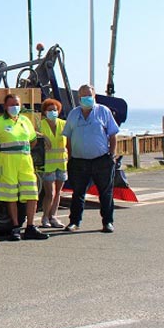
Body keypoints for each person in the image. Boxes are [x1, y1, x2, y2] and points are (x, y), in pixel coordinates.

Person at [0, 94, 48, 241]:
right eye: (12, 104)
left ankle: (31, 226)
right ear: (5, 106)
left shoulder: (25, 121)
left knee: (32, 193)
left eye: (17, 104)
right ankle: (15, 227)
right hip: (6, 162)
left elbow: (32, 140)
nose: (15, 107)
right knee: (10, 194)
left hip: (25, 161)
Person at [62, 84, 120, 233]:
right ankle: (74, 222)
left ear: (94, 96)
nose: (86, 98)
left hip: (101, 160)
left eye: (89, 95)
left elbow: (113, 135)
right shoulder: (73, 114)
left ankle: (107, 222)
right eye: (83, 96)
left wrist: (111, 155)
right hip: (79, 161)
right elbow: (68, 137)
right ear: (79, 97)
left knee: (105, 193)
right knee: (78, 193)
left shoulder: (103, 111)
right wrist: (70, 157)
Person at [39, 98, 68, 228]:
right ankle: (45, 216)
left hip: (62, 163)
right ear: (45, 112)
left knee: (58, 192)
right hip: (48, 164)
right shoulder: (41, 124)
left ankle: (53, 216)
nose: (53, 112)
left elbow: (70, 141)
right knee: (50, 193)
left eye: (55, 110)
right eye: (50, 110)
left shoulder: (63, 124)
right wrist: (43, 136)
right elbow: (32, 132)